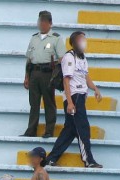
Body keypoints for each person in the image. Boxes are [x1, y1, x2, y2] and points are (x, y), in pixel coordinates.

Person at [46, 32, 103, 169]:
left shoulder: (82, 58)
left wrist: (95, 88)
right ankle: (88, 160)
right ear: (75, 41)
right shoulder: (69, 57)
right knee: (83, 128)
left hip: (81, 96)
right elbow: (66, 80)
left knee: (70, 130)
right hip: (74, 97)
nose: (84, 42)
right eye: (81, 39)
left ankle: (50, 159)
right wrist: (70, 102)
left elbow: (86, 76)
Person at [22, 11, 65, 138]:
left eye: (45, 22)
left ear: (50, 24)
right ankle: (31, 130)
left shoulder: (56, 38)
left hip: (48, 73)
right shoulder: (34, 38)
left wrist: (58, 75)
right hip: (34, 71)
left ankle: (49, 130)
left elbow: (62, 58)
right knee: (33, 103)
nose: (42, 24)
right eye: (40, 21)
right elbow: (29, 59)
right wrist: (26, 76)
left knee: (49, 102)